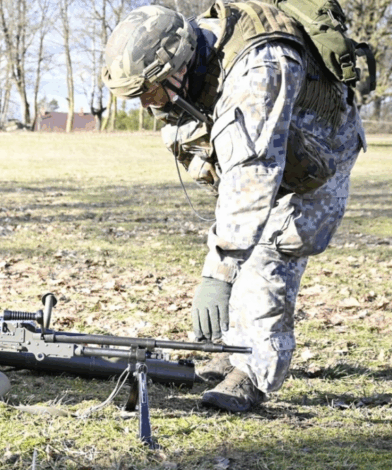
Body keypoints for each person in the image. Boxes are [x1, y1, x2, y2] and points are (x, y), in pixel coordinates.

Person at [102, 3, 366, 412]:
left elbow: (254, 173)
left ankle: (253, 373)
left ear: (176, 68)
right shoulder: (196, 48)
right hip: (274, 148)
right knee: (243, 242)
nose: (145, 105)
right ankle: (236, 348)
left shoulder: (258, 71)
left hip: (320, 155)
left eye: (147, 92)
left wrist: (218, 273)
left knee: (271, 251)